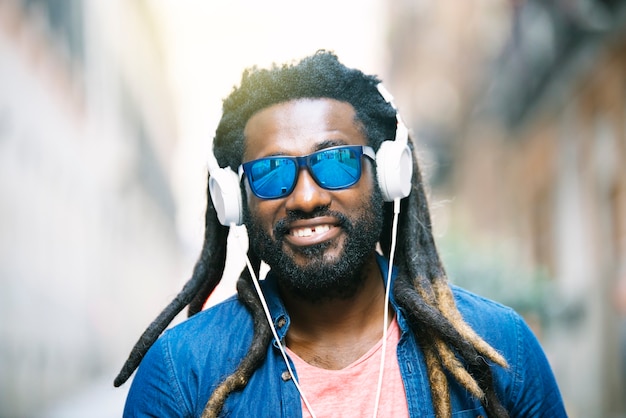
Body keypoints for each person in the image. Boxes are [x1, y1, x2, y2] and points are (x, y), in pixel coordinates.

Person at [115, 51, 567, 418]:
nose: (306, 197)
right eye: (272, 172)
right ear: (235, 201)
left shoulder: (500, 347)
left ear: (390, 177)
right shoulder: (179, 373)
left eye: (336, 162)